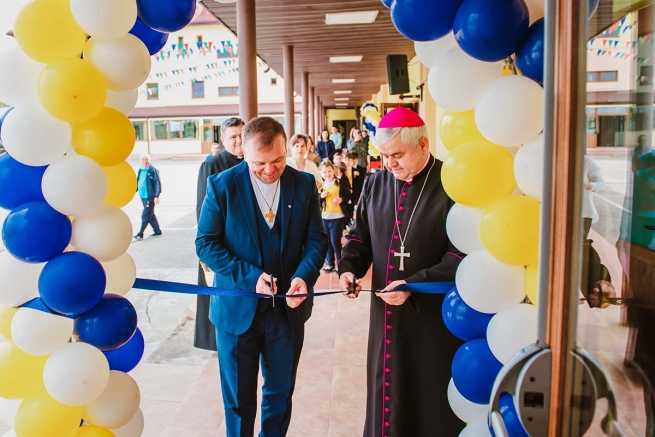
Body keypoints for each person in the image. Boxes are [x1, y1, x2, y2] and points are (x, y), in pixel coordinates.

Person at [196, 117, 328, 437]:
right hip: (237, 312)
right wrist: (249, 277)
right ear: (243, 150)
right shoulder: (222, 185)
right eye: (259, 162)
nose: (269, 170)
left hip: (286, 312)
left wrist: (303, 276)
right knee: (240, 401)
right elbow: (205, 244)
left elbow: (316, 240)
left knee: (279, 397)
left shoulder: (304, 184)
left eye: (277, 160)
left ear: (286, 148)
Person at [338, 107, 465, 436]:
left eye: (397, 155)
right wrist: (349, 269)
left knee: (427, 395)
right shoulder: (376, 183)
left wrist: (415, 284)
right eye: (384, 155)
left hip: (432, 320)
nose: (390, 164)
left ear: (423, 145)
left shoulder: (451, 184)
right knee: (386, 393)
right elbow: (358, 236)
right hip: (385, 317)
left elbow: (460, 252)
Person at [194, 117, 245, 351]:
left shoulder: (254, 163)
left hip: (244, 243)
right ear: (223, 139)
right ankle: (216, 341)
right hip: (218, 243)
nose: (238, 141)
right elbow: (202, 209)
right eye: (233, 136)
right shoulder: (211, 166)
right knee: (217, 297)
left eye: (242, 135)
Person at [320, 161, 350, 273]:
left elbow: (348, 196)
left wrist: (340, 199)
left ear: (334, 171)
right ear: (321, 173)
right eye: (325, 172)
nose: (327, 174)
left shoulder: (340, 183)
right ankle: (330, 263)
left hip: (337, 217)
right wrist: (321, 196)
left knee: (335, 241)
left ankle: (340, 264)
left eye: (329, 171)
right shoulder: (321, 185)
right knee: (327, 241)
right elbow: (316, 201)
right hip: (325, 217)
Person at [134, 153, 162, 240]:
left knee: (145, 215)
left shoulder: (153, 170)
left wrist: (156, 196)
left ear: (149, 160)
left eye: (146, 160)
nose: (145, 161)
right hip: (143, 196)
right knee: (150, 214)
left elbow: (158, 183)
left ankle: (140, 233)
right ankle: (157, 231)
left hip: (150, 196)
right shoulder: (140, 170)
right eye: (143, 160)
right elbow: (138, 181)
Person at [582, 155, 605, 239]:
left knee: (579, 245)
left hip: (584, 214)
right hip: (559, 212)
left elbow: (600, 183)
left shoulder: (587, 161)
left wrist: (589, 185)